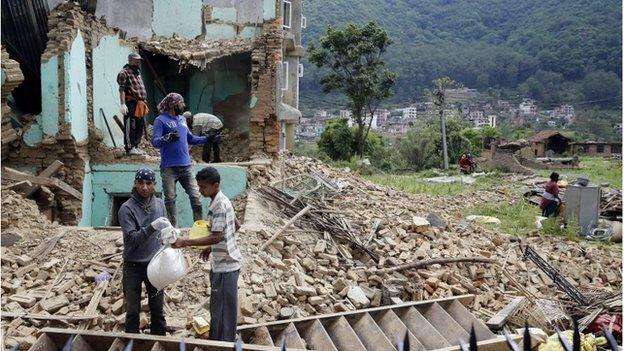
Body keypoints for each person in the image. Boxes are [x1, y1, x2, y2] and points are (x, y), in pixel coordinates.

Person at [172, 167, 241, 342]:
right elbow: (235, 225)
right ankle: (219, 340)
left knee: (223, 310)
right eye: (199, 186)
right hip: (224, 262)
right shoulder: (223, 200)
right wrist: (211, 247)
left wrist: (185, 242)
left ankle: (224, 343)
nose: (200, 190)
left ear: (215, 185)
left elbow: (217, 236)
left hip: (226, 266)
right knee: (219, 308)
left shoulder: (219, 205)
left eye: (203, 187)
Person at [117, 168, 171, 335]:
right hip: (133, 265)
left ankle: (159, 340)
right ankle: (132, 342)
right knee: (133, 310)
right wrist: (152, 227)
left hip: (155, 263)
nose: (144, 187)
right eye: (141, 183)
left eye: (148, 183)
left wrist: (170, 235)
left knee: (157, 309)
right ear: (135, 183)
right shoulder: (127, 209)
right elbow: (132, 238)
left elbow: (163, 233)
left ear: (154, 184)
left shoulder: (160, 204)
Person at [152, 93, 213, 227]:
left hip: (186, 166)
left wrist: (207, 139)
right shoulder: (160, 120)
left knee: (196, 197)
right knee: (170, 199)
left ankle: (198, 227)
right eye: (181, 103)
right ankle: (173, 229)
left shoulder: (182, 120)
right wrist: (166, 138)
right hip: (169, 168)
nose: (183, 106)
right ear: (174, 104)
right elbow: (155, 142)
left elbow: (190, 139)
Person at [117, 53, 149, 156]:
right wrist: (122, 104)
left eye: (139, 60)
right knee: (131, 124)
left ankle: (136, 146)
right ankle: (129, 147)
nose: (138, 62)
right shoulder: (124, 72)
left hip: (140, 103)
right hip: (131, 102)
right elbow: (122, 89)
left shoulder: (137, 72)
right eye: (136, 60)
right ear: (130, 60)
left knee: (140, 125)